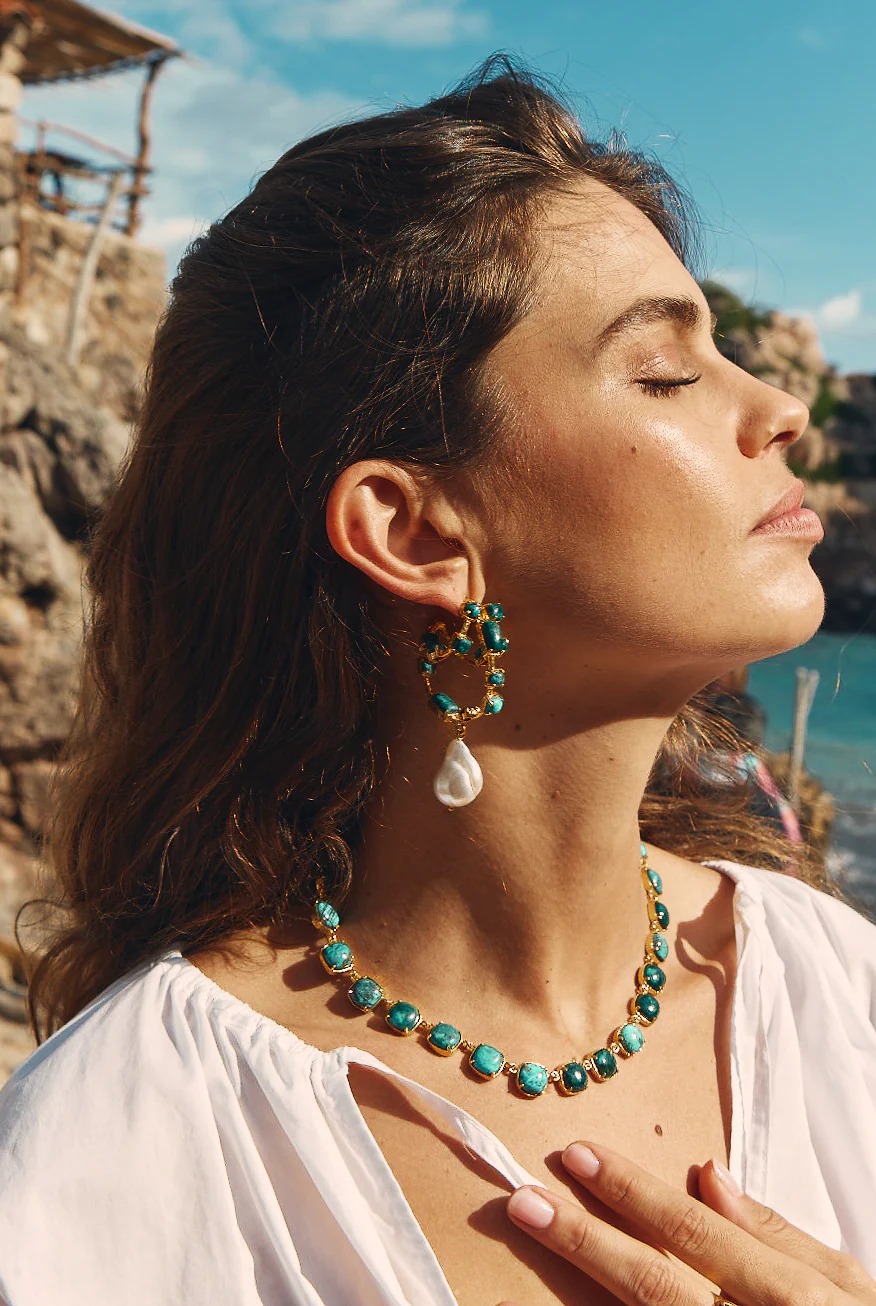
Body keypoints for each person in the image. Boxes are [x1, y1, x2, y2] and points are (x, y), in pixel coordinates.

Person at [1, 58, 874, 1306]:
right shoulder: (122, 1158)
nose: (783, 405)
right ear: (414, 534)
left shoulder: (838, 996)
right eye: (668, 373)